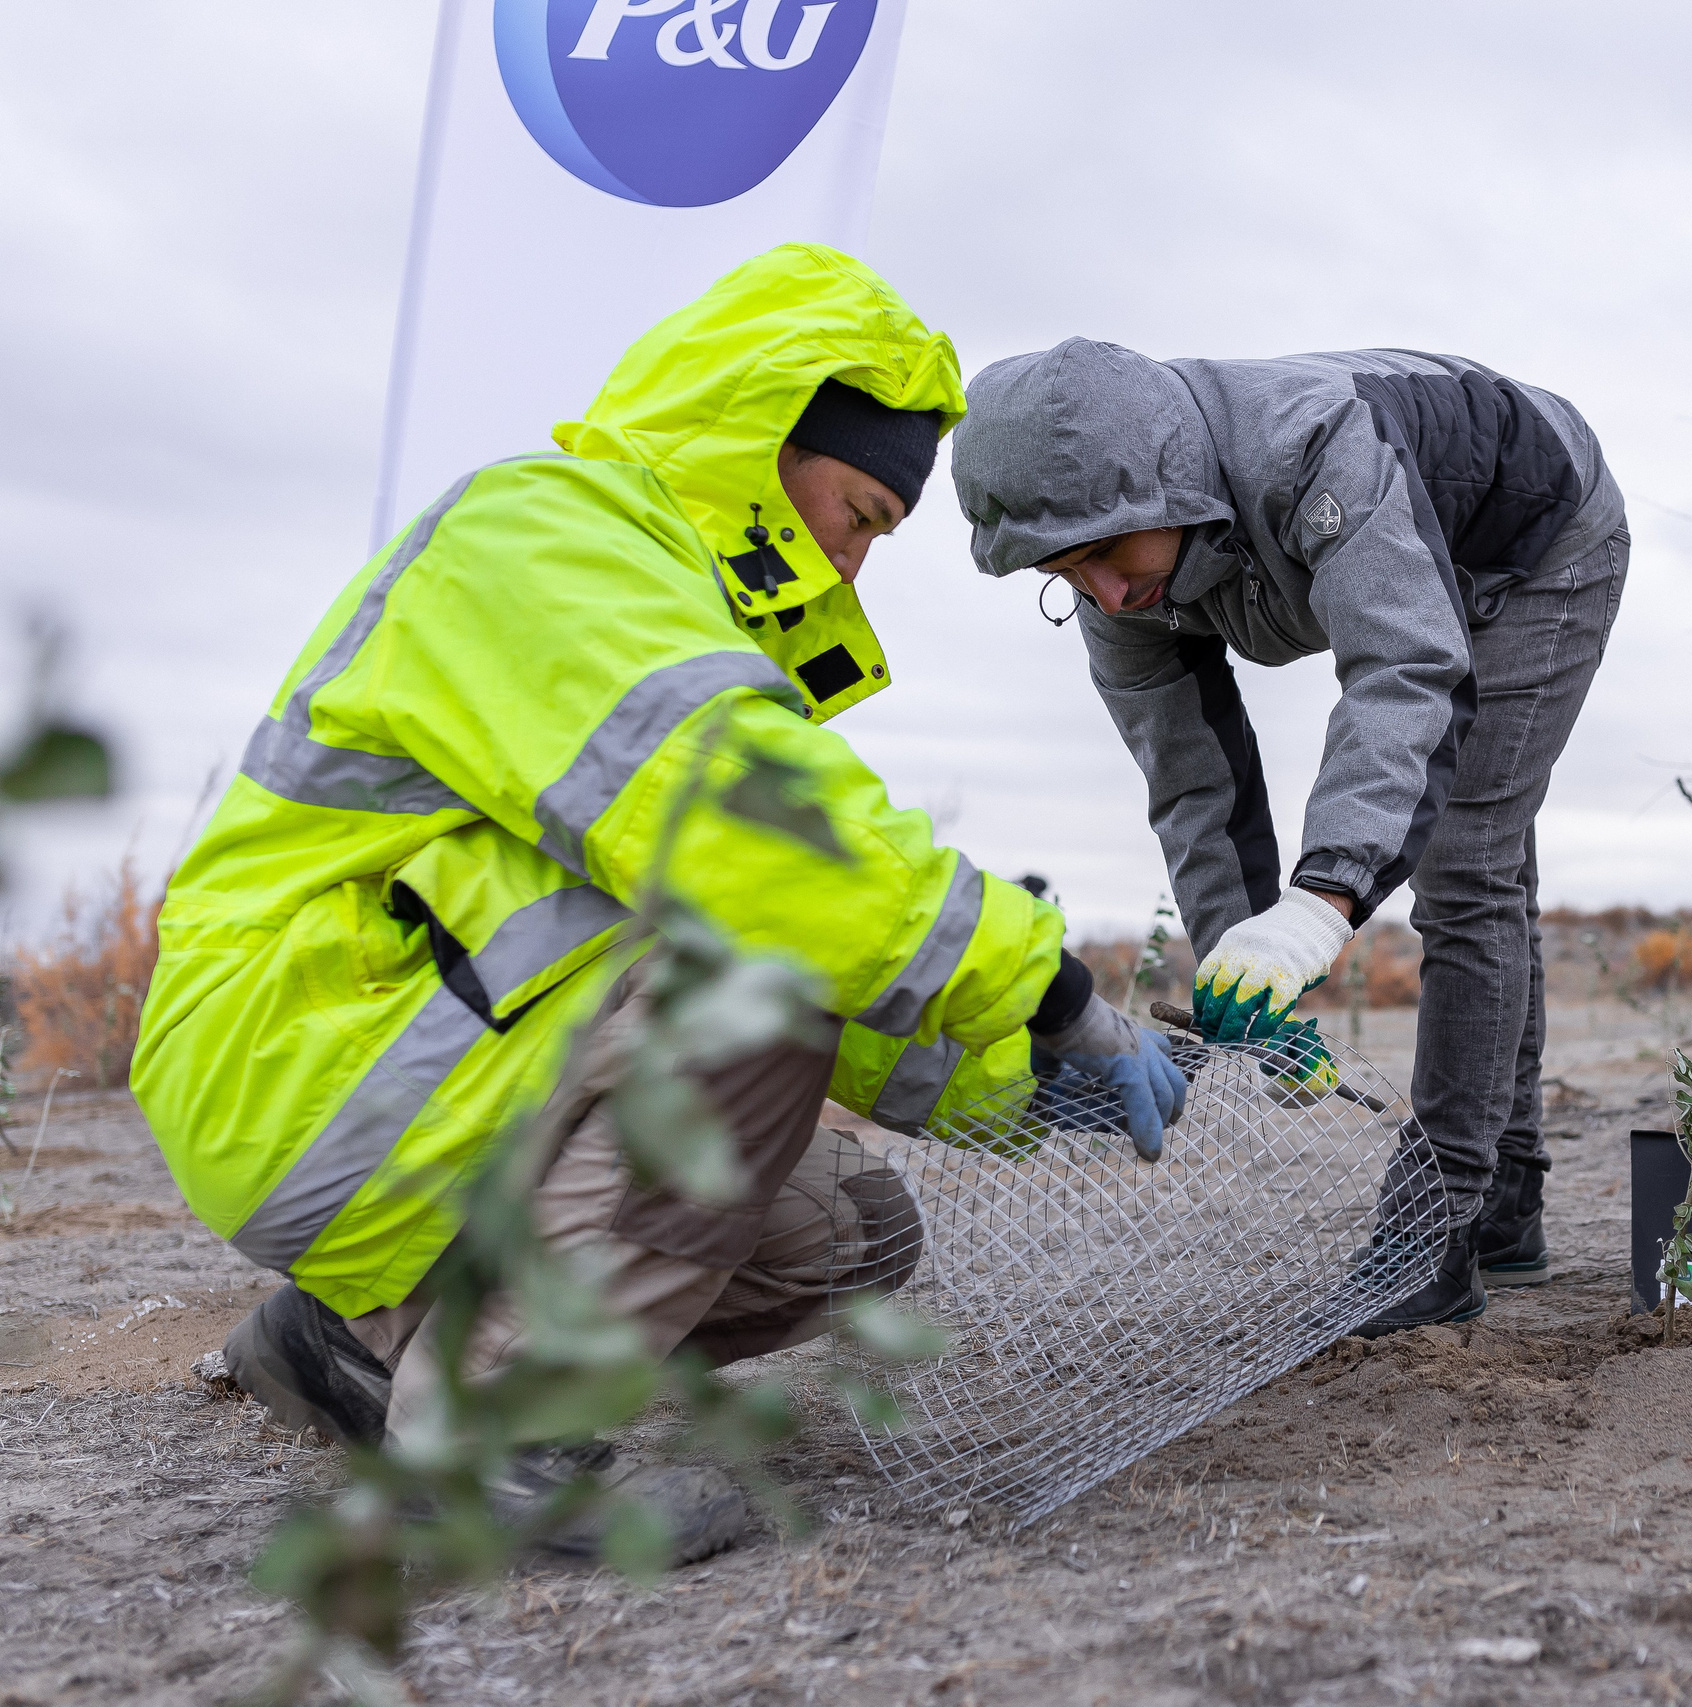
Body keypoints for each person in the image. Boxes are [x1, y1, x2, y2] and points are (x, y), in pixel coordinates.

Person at [132, 246, 1184, 1561]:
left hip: (403, 1064)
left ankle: (353, 1337)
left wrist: (1009, 1079)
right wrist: (1049, 982)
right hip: (302, 1059)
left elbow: (767, 937)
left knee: (846, 1234)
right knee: (762, 967)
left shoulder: (655, 602)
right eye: (859, 512)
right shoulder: (537, 534)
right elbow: (758, 845)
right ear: (762, 437)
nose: (853, 568)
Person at [954, 340, 1627, 1336]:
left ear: (1166, 486)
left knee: (1467, 862)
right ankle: (1507, 1203)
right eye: (1064, 572)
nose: (1102, 592)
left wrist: (1320, 904)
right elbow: (1193, 783)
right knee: (1476, 855)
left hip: (1534, 544)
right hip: (1420, 554)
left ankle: (1433, 1226)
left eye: (1107, 555)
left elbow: (1404, 674)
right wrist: (1249, 971)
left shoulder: (1311, 450)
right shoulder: (1118, 570)